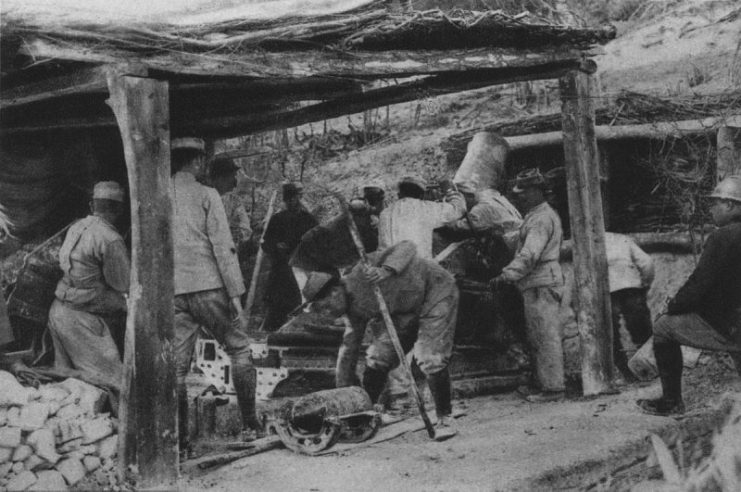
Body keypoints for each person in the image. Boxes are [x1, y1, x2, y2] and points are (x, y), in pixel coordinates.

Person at [304, 240, 459, 440]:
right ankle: (366, 414)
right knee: (378, 355)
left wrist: (386, 270)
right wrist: (343, 396)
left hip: (435, 291)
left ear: (335, 292)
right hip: (404, 311)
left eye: (325, 306)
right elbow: (349, 350)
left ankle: (445, 417)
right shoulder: (352, 313)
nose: (327, 313)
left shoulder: (363, 269)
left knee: (429, 357)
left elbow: (408, 246)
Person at [170, 137, 259, 454]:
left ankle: (179, 441)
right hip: (208, 285)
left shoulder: (157, 194)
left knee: (177, 369)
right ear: (196, 162)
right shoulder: (206, 194)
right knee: (238, 348)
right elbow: (224, 246)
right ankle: (250, 425)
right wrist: (236, 295)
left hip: (173, 290)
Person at [637, 175, 741, 416]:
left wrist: (673, 306)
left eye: (716, 202)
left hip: (732, 325)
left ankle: (672, 401)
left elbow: (699, 285)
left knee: (663, 327)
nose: (711, 208)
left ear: (730, 205)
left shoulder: (723, 237)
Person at [489, 168, 565, 403]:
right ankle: (546, 384)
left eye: (524, 191)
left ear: (537, 191)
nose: (519, 196)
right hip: (538, 281)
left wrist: (506, 275)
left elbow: (530, 254)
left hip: (540, 280)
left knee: (545, 336)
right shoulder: (537, 214)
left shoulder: (540, 218)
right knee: (539, 335)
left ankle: (553, 389)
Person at [47, 181, 129, 389]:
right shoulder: (110, 239)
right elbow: (121, 283)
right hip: (80, 319)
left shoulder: (77, 227)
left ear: (92, 205)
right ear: (119, 209)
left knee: (69, 384)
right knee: (116, 384)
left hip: (59, 311)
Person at [261, 182, 318, 331]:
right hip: (281, 271)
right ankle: (269, 342)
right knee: (276, 311)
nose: (294, 201)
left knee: (301, 309)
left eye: (297, 197)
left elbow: (319, 242)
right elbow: (265, 243)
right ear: (286, 200)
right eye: (290, 198)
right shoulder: (277, 219)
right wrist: (276, 246)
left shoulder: (309, 220)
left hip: (302, 270)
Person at [605, 232, 654, 381]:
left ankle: (626, 372)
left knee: (610, 332)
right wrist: (645, 283)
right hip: (631, 286)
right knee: (641, 328)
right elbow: (646, 262)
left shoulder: (585, 242)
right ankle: (651, 366)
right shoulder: (621, 239)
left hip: (606, 291)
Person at [378, 176, 465, 259]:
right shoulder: (426, 209)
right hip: (418, 268)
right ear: (422, 195)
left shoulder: (385, 213)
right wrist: (450, 191)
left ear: (399, 194)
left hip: (388, 267)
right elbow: (457, 209)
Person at [209, 157, 252, 249]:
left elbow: (245, 231)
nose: (234, 182)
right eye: (231, 177)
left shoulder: (234, 201)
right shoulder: (202, 198)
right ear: (219, 178)